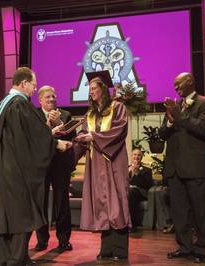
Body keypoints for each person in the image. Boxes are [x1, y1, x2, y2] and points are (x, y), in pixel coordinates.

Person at [0, 67, 72, 266]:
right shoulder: (19, 105)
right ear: (23, 83)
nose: (34, 88)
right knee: (22, 213)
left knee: (5, 216)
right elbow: (34, 137)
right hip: (17, 172)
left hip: (2, 169)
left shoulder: (2, 105)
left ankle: (4, 259)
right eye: (33, 84)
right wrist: (56, 143)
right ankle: (18, 259)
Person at [73, 70, 130, 262]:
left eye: (94, 88)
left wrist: (93, 137)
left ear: (103, 89)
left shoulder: (118, 107)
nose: (91, 92)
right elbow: (83, 137)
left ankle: (120, 250)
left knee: (117, 203)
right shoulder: (90, 114)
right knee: (103, 205)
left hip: (113, 161)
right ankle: (106, 249)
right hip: (96, 165)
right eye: (89, 89)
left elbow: (119, 130)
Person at [160, 72, 205, 263]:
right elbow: (162, 134)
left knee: (200, 211)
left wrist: (178, 115)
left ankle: (202, 249)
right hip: (175, 168)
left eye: (178, 84)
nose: (176, 88)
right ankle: (184, 246)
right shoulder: (175, 106)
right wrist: (169, 120)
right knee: (179, 212)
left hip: (194, 167)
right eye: (174, 85)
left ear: (190, 81)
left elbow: (202, 129)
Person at [34, 86, 76, 252]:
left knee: (62, 203)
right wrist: (49, 124)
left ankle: (64, 240)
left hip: (60, 165)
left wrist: (59, 123)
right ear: (40, 100)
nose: (51, 100)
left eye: (53, 96)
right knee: (40, 203)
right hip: (42, 165)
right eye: (47, 97)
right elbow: (36, 138)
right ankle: (42, 240)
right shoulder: (35, 116)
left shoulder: (65, 115)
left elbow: (72, 138)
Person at [128, 148, 154, 231]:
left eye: (139, 155)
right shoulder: (126, 168)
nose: (136, 156)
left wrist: (136, 173)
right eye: (135, 154)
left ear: (141, 157)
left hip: (140, 192)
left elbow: (147, 184)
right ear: (131, 156)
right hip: (127, 191)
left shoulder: (147, 170)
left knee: (131, 193)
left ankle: (132, 225)